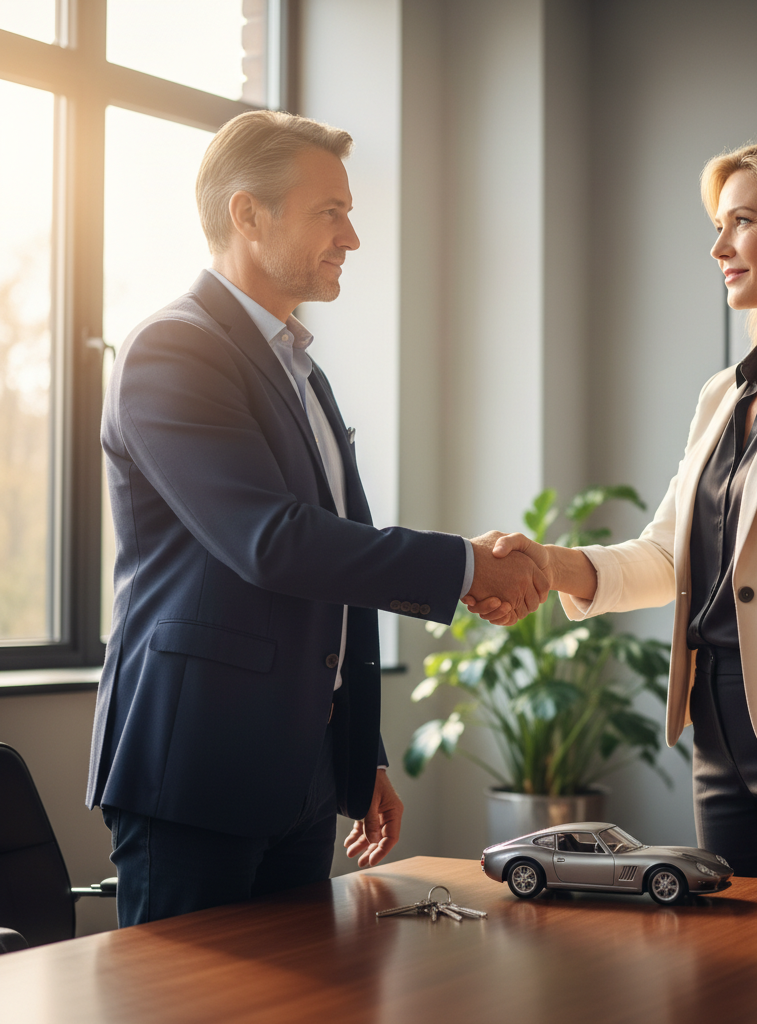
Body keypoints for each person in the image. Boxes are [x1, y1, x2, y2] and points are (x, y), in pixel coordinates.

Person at [87, 110, 545, 925]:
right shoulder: (172, 351)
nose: (353, 238)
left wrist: (355, 751)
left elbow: (328, 576)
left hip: (298, 775)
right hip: (196, 769)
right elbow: (273, 543)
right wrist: (469, 566)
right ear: (247, 213)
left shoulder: (300, 369)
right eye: (330, 211)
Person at [474, 137, 757, 907]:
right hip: (717, 731)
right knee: (721, 971)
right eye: (719, 225)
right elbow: (668, 555)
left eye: (742, 223)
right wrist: (546, 563)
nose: (719, 246)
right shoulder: (725, 393)